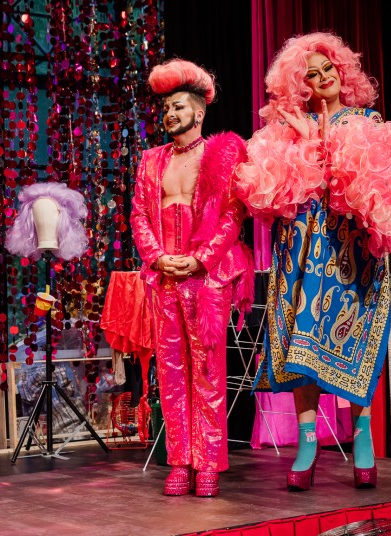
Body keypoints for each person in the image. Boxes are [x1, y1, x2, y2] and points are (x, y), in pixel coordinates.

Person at [235, 32, 391, 491]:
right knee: (301, 344)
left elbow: (365, 187)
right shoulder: (285, 130)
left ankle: (362, 439)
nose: (322, 79)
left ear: (343, 72)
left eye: (328, 70)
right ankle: (307, 444)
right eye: (311, 74)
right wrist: (304, 142)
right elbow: (272, 195)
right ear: (298, 84)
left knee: (354, 340)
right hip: (302, 252)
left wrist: (322, 141)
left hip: (350, 254)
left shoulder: (366, 122)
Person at [130, 58, 254, 497]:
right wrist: (158, 257)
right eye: (166, 108)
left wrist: (199, 259)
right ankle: (180, 461)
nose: (170, 114)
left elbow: (232, 216)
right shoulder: (151, 161)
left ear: (199, 112)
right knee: (171, 376)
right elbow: (140, 216)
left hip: (206, 281)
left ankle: (209, 465)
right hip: (164, 279)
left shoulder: (222, 153)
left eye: (178, 107)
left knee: (208, 373)